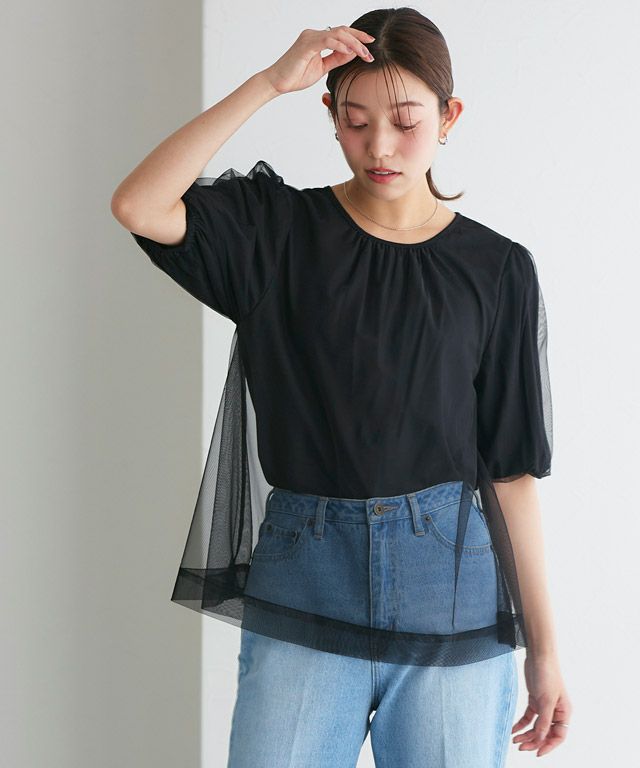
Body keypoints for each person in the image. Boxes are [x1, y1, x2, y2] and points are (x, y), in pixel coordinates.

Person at [111, 8, 572, 766]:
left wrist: (544, 652)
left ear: (449, 116)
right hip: (306, 581)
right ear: (330, 115)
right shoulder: (276, 232)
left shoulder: (497, 270)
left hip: (450, 592)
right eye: (355, 121)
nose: (380, 146)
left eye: (406, 121)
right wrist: (269, 82)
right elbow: (139, 205)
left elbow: (511, 473)